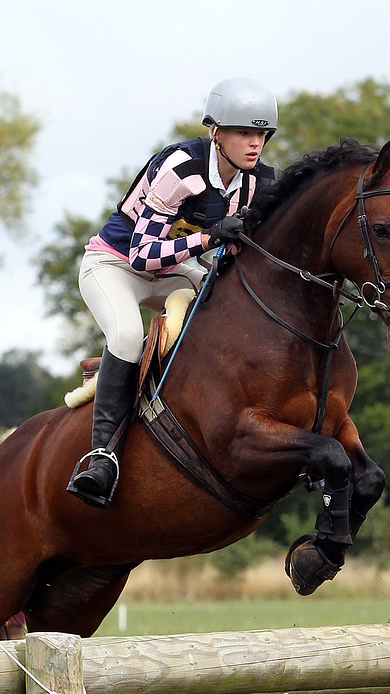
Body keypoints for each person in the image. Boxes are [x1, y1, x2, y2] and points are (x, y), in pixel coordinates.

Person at [66, 75, 278, 507]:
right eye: (243, 133)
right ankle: (102, 454)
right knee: (126, 335)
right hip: (114, 265)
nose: (254, 144)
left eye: (261, 134)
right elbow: (143, 257)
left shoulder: (256, 182)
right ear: (216, 133)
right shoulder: (180, 167)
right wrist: (209, 238)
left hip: (175, 269)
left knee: (232, 306)